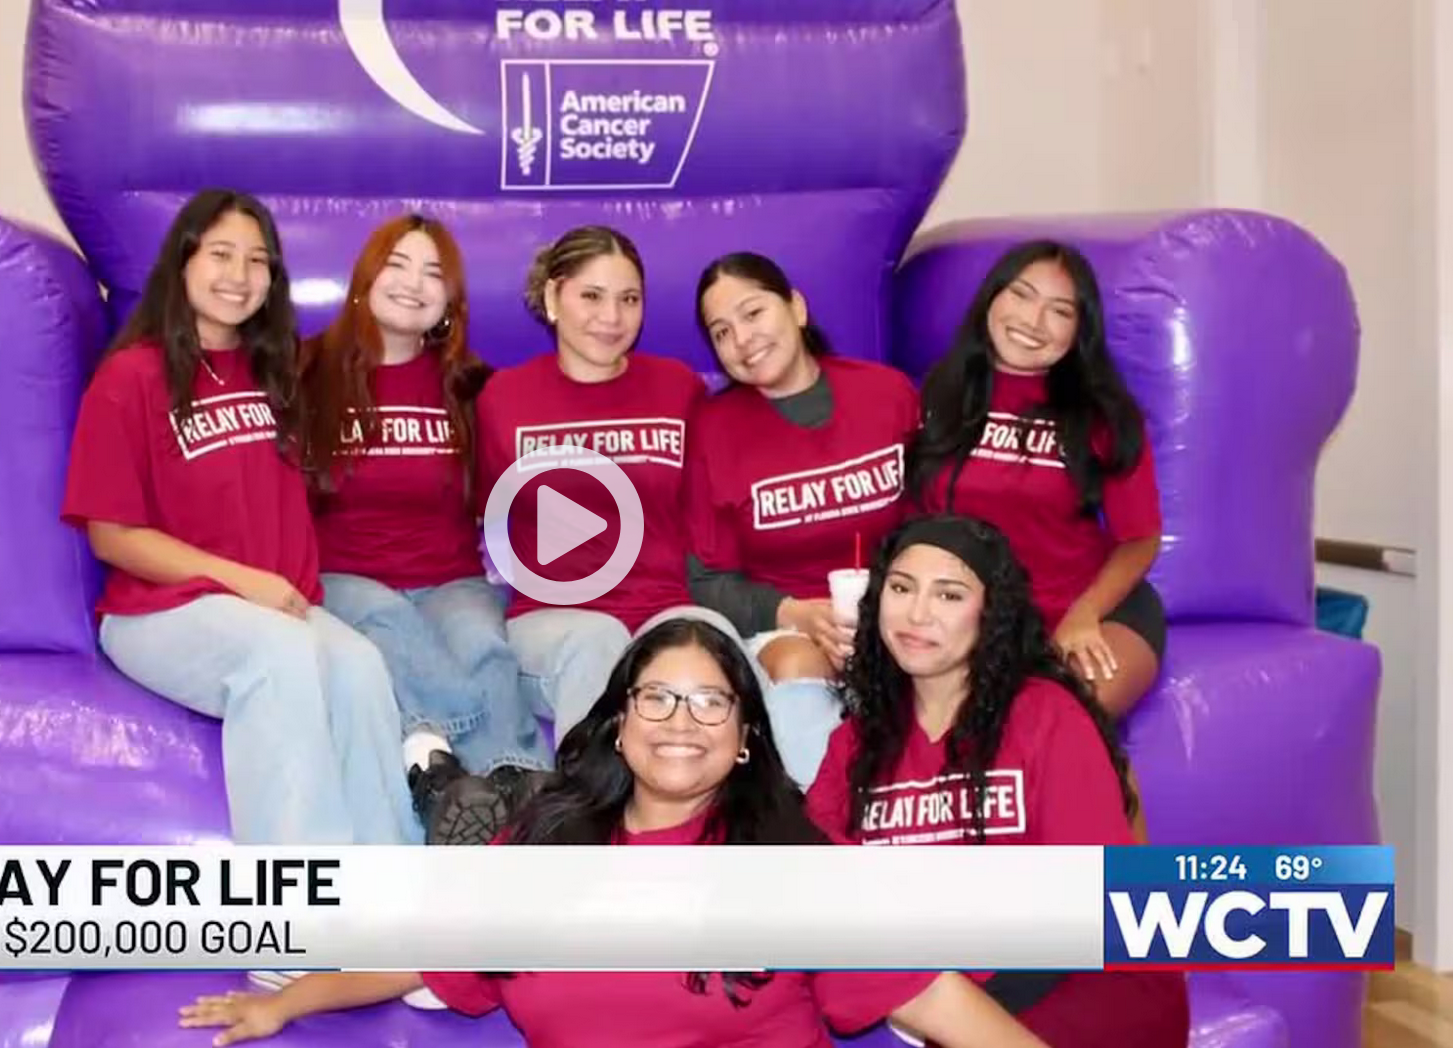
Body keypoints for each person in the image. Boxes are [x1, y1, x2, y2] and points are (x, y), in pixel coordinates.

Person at [179, 618, 1052, 1048]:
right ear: (620, 725)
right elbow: (422, 955)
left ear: (748, 735)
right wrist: (285, 1001)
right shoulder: (534, 856)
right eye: (657, 698)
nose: (682, 720)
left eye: (713, 701)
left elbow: (948, 1008)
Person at [60, 189, 419, 847]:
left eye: (258, 261)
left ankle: (389, 903)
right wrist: (241, 581)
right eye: (221, 254)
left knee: (363, 668)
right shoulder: (129, 379)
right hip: (159, 612)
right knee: (281, 657)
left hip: (273, 606)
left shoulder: (271, 372)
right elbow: (111, 536)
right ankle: (295, 925)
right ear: (183, 262)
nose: (239, 276)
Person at [807, 513, 1188, 1046]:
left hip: (1077, 976)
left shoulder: (1044, 713)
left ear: (989, 615)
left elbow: (1090, 893)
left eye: (949, 596)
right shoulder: (854, 743)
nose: (917, 614)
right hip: (934, 990)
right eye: (900, 587)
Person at [298, 214, 551, 846]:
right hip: (341, 576)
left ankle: (516, 782)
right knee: (388, 627)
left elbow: (517, 488)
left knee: (486, 644)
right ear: (365, 278)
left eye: (434, 274)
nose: (414, 284)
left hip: (449, 575)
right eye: (398, 265)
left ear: (450, 302)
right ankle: (434, 771)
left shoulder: (469, 386)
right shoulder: (307, 372)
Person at [474, 225, 748, 740]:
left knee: (716, 643)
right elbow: (484, 519)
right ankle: (588, 816)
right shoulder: (504, 398)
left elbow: (705, 519)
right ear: (554, 296)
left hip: (662, 609)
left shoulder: (676, 387)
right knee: (596, 640)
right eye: (592, 296)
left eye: (629, 299)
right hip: (553, 624)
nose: (612, 318)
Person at [684, 251, 920, 787]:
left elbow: (934, 526)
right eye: (722, 332)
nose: (742, 339)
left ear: (796, 308)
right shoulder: (714, 430)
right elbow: (707, 580)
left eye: (753, 313)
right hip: (785, 628)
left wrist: (896, 609)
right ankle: (828, 831)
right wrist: (797, 614)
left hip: (900, 615)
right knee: (796, 666)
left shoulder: (887, 394)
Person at [908, 240, 1165, 719]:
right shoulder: (937, 395)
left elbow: (1141, 539)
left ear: (1078, 330)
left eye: (1060, 310)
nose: (1033, 320)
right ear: (992, 298)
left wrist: (1084, 614)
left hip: (1092, 610)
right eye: (1021, 295)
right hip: (981, 622)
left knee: (1068, 726)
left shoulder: (1103, 414)